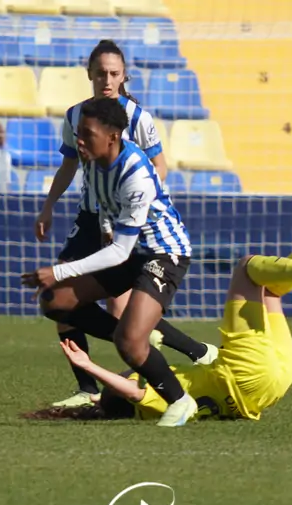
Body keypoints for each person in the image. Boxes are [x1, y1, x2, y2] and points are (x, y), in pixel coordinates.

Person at [22, 194, 292, 423]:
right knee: (247, 268)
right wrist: (91, 368)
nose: (124, 374)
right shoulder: (154, 403)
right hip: (243, 374)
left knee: (270, 290)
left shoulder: (169, 394)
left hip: (273, 386)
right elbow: (134, 393)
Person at [21, 97, 212, 427]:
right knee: (56, 302)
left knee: (128, 342)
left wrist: (58, 270)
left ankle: (180, 401)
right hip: (130, 250)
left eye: (87, 133)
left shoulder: (136, 174)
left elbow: (120, 252)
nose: (79, 139)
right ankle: (137, 338)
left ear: (113, 136)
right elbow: (109, 213)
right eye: (78, 132)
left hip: (163, 254)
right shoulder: (93, 162)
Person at [34, 40, 183, 409]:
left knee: (121, 309)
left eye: (114, 73)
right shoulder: (75, 117)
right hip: (91, 217)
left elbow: (159, 166)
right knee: (61, 298)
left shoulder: (138, 117)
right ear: (89, 74)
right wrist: (48, 206)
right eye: (100, 72)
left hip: (127, 220)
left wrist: (139, 209)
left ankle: (174, 358)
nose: (107, 79)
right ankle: (87, 387)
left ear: (124, 75)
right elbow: (69, 165)